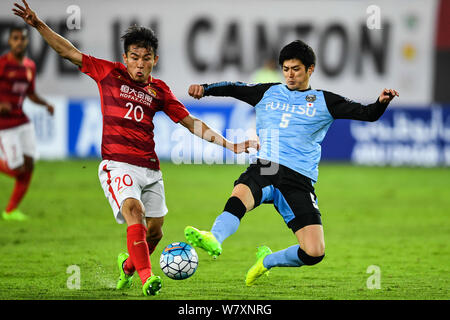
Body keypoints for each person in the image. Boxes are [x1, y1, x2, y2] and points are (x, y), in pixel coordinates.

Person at [12, 0, 258, 296]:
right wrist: (38, 24)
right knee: (134, 211)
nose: (140, 64)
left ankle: (128, 267)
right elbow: (68, 52)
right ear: (125, 58)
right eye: (134, 57)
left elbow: (190, 122)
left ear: (155, 59)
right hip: (117, 164)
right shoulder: (107, 73)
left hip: (150, 169)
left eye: (146, 58)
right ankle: (146, 278)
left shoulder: (160, 91)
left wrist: (229, 144)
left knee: (155, 232)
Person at [184, 39, 399, 286]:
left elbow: (367, 114)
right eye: (285, 69)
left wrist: (381, 102)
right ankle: (214, 237)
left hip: (299, 178)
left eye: (295, 69)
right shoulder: (267, 92)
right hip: (267, 165)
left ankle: (266, 261)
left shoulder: (325, 101)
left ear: (310, 69)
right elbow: (234, 87)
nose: (289, 75)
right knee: (239, 196)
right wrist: (205, 88)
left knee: (314, 252)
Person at [0, 25, 54, 221]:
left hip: (22, 121)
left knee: (29, 165)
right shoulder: (3, 64)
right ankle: (10, 210)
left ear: (27, 41)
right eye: (15, 38)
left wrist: (46, 104)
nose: (19, 42)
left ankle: (10, 210)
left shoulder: (30, 66)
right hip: (5, 126)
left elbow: (30, 93)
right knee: (17, 169)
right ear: (9, 41)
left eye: (22, 38)